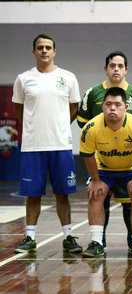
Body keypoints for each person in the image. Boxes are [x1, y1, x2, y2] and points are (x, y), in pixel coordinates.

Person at [12, 33, 82, 254]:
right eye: (40, 47)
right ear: (34, 51)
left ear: (54, 51)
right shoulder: (23, 79)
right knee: (33, 194)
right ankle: (30, 237)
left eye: (48, 47)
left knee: (63, 193)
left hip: (60, 145)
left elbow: (74, 108)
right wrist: (35, 128)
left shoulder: (68, 77)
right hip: (33, 147)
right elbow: (20, 110)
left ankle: (68, 237)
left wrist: (59, 124)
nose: (44, 51)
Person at [77, 51, 132, 248]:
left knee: (130, 199)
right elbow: (84, 125)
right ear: (106, 69)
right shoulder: (92, 93)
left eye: (120, 66)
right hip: (103, 160)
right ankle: (98, 241)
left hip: (129, 161)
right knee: (99, 195)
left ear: (126, 69)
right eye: (112, 66)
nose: (116, 69)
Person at [80, 87, 132, 258]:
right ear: (102, 107)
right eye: (108, 104)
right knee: (96, 192)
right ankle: (97, 242)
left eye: (117, 104)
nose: (112, 108)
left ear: (126, 107)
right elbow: (88, 156)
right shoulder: (90, 128)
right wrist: (96, 181)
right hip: (104, 169)